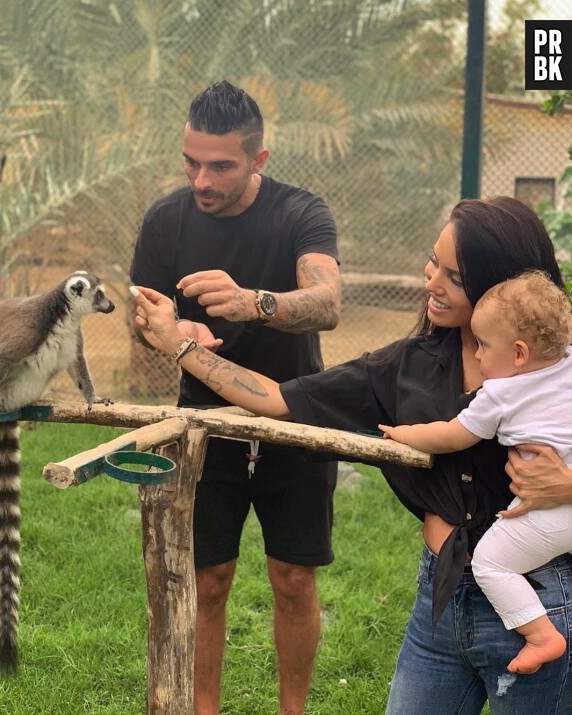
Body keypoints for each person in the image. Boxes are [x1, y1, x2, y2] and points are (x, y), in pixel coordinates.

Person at [131, 195, 572, 713]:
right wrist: (179, 347)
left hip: (541, 601)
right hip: (441, 603)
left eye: (453, 277)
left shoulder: (560, 369)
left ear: (502, 284)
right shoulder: (407, 367)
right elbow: (279, 399)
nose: (431, 281)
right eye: (433, 262)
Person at [129, 80, 341, 715]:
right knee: (207, 580)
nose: (201, 179)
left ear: (259, 160)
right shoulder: (166, 220)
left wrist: (255, 302)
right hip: (203, 426)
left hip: (296, 417)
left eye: (220, 165)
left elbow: (328, 304)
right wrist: (173, 333)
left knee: (294, 579)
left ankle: (292, 710)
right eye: (191, 162)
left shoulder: (301, 212)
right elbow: (143, 322)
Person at [379, 269, 572, 676]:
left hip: (549, 516)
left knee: (491, 562)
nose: (478, 354)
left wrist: (405, 433)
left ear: (519, 353)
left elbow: (452, 435)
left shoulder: (500, 394)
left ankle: (541, 635)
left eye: (483, 345)